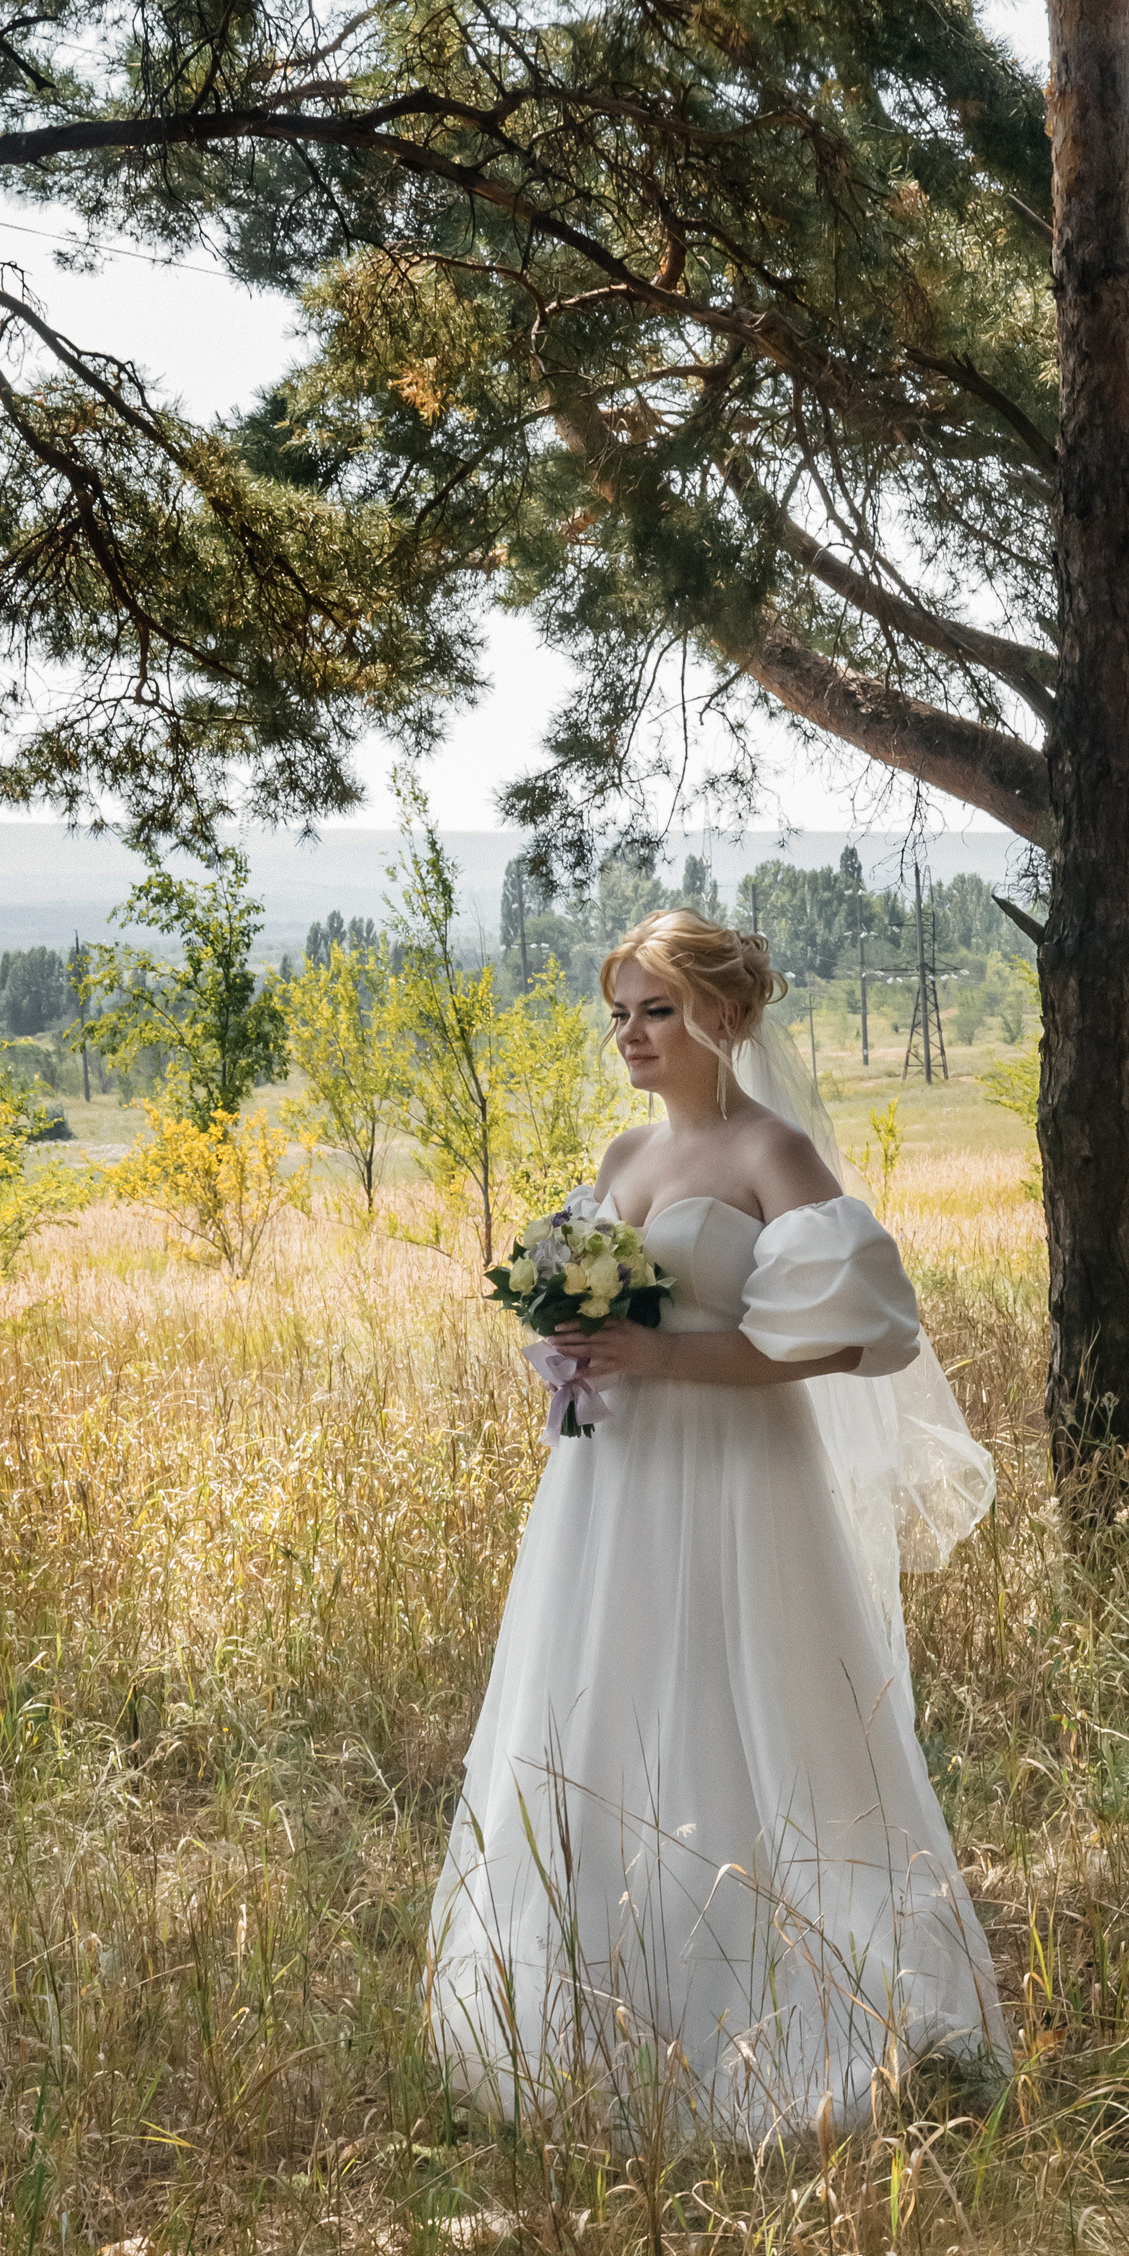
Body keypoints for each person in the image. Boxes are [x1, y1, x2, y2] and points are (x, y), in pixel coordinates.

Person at [427, 908, 1005, 2143]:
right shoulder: (624, 1152)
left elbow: (849, 1340)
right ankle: (598, 2011)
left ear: (725, 1017)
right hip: (613, 1480)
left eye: (657, 1009)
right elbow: (607, 1298)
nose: (632, 1034)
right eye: (622, 1012)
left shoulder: (771, 1154)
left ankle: (802, 2007)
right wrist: (574, 1347)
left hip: (739, 1474)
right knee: (606, 1704)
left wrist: (656, 1348)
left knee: (749, 1704)